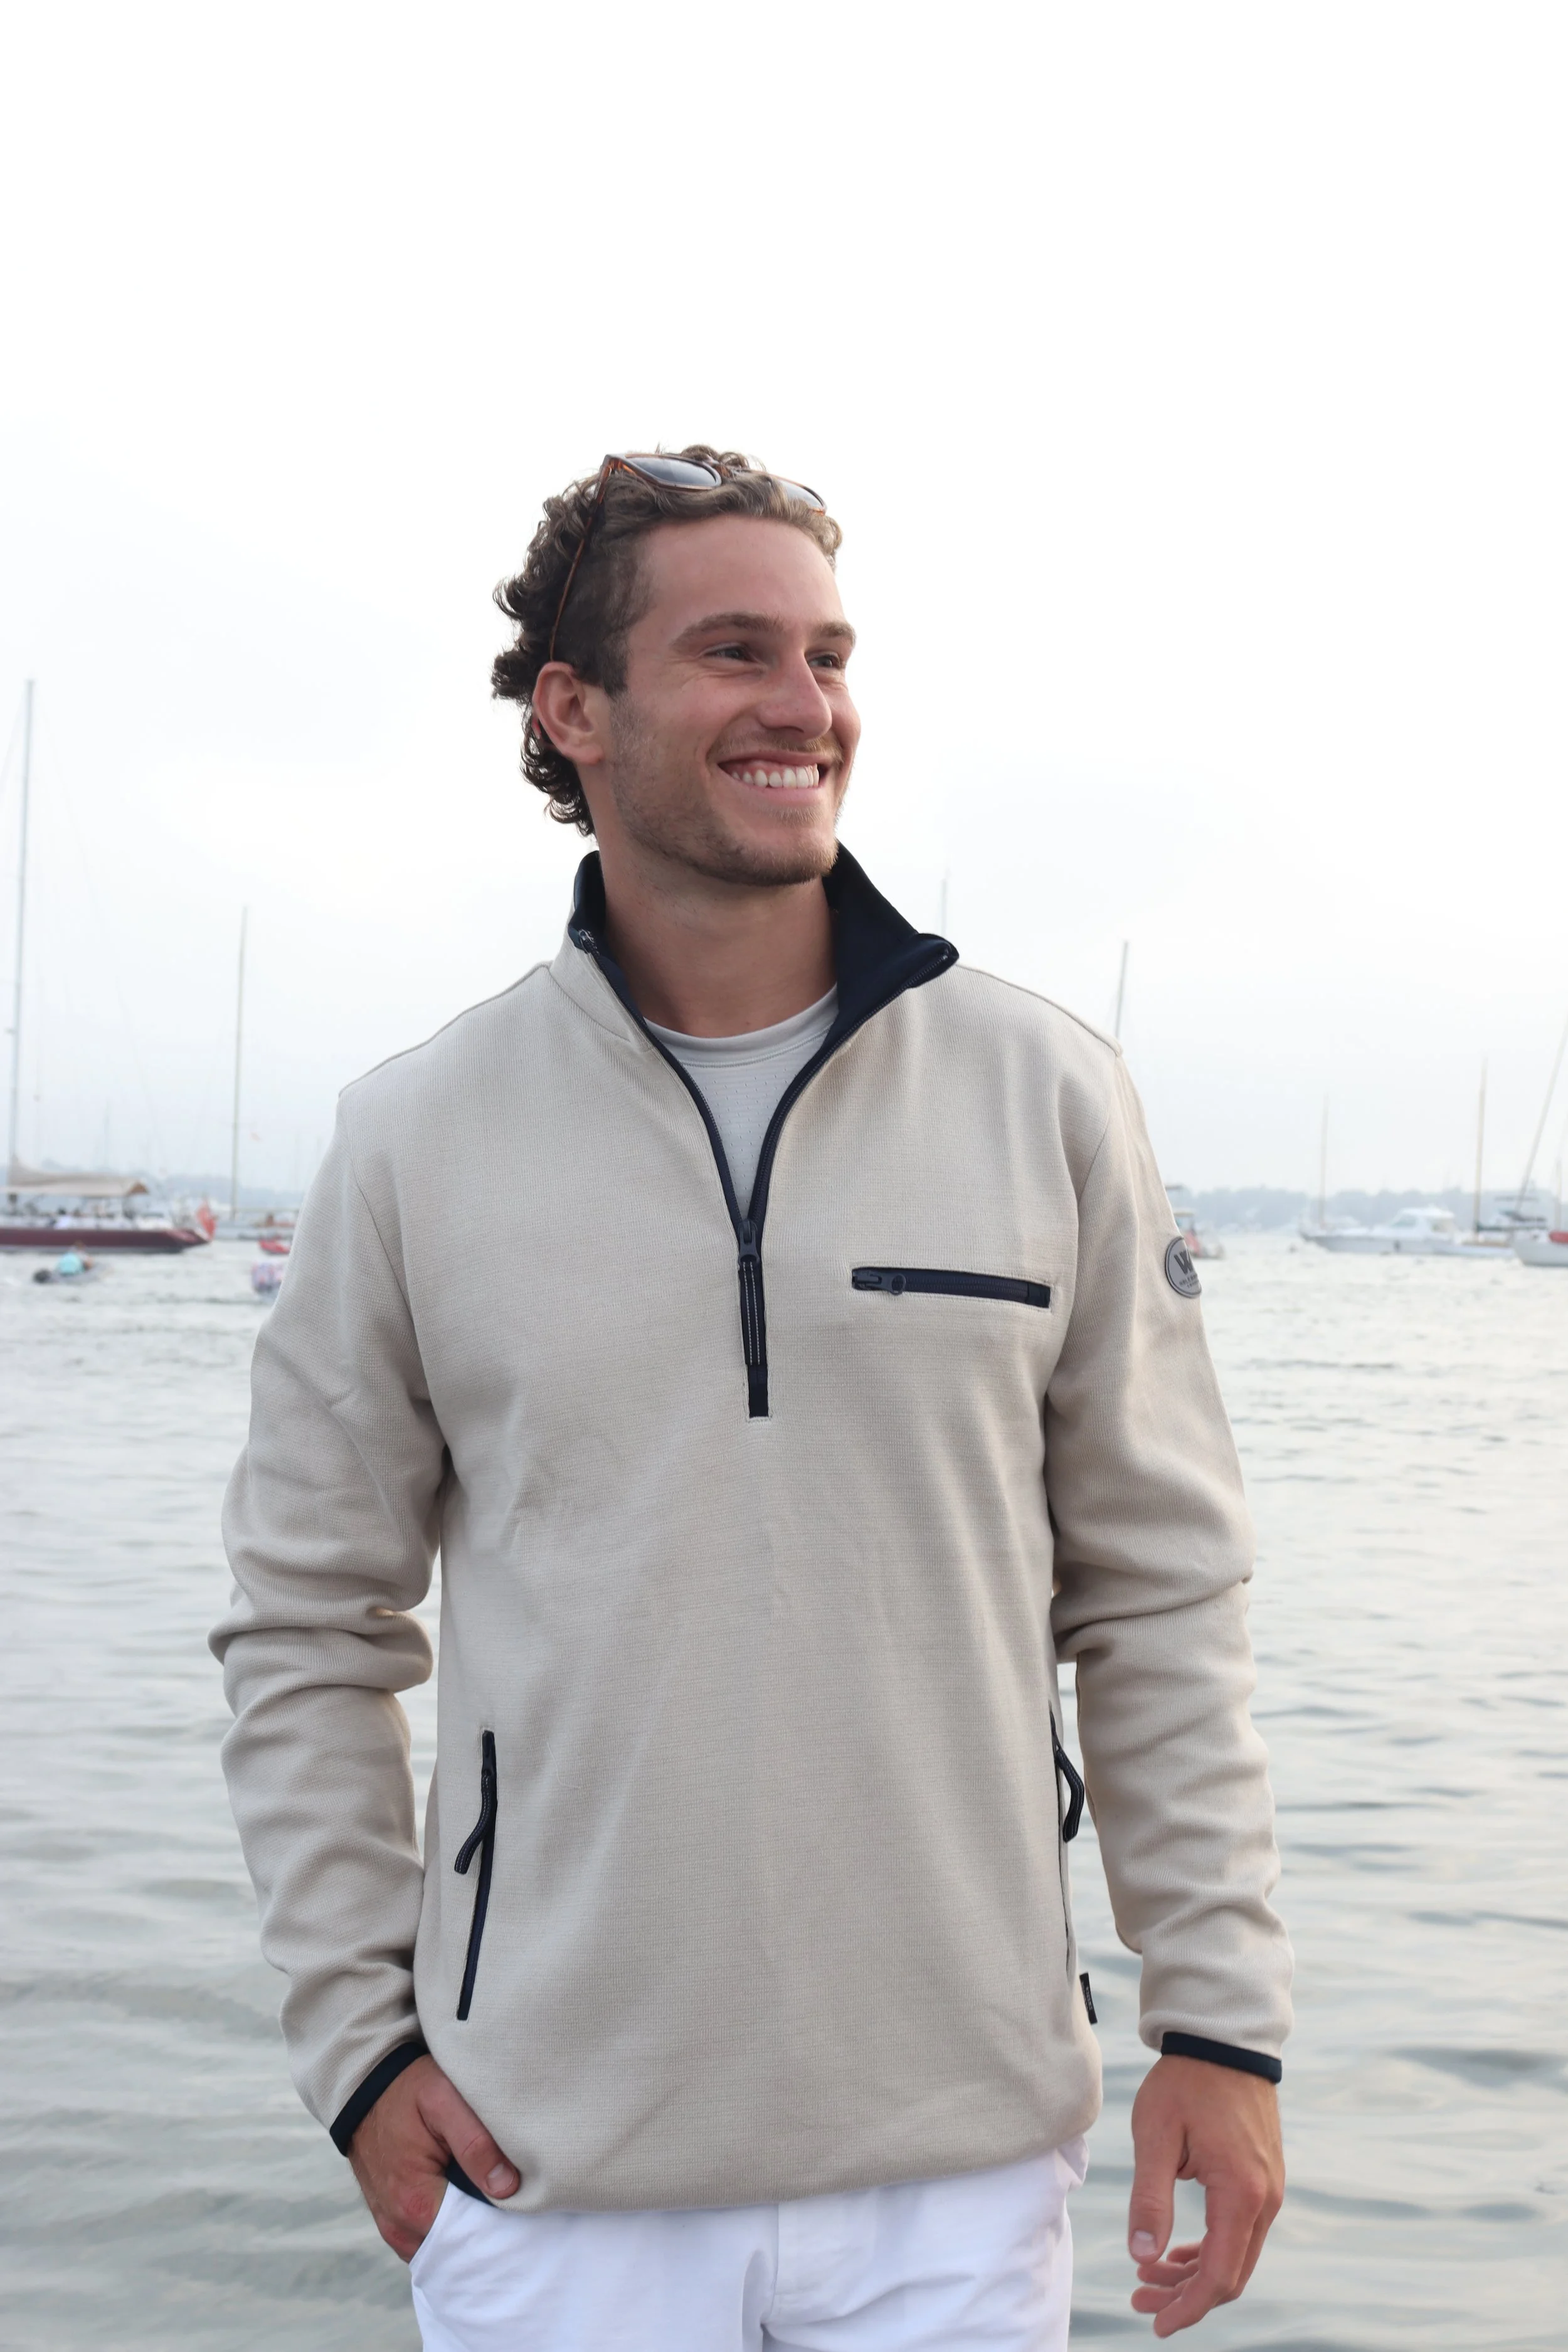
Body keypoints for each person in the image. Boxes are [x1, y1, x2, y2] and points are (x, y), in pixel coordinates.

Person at [213, 446, 1291, 2349]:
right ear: (575, 710)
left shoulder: (1043, 1094)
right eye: (735, 652)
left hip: (959, 2166)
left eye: (828, 655)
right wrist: (359, 2051)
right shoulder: (413, 1141)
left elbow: (1159, 1594)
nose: (806, 705)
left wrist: (1218, 2019)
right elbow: (308, 1627)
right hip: (547, 2174)